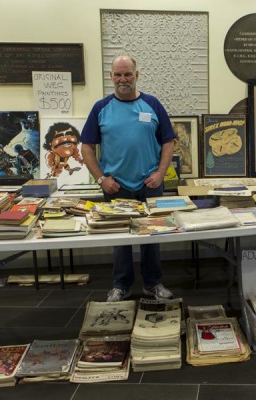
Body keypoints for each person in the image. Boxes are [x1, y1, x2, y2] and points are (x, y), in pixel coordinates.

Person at [81, 54, 176, 302]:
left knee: (152, 236)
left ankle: (153, 284)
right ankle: (121, 285)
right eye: (118, 74)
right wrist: (102, 179)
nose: (123, 79)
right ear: (111, 77)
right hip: (116, 187)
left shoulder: (152, 105)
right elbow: (87, 147)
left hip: (150, 184)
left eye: (128, 74)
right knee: (120, 238)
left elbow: (169, 141)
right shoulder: (100, 108)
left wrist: (160, 173)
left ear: (137, 75)